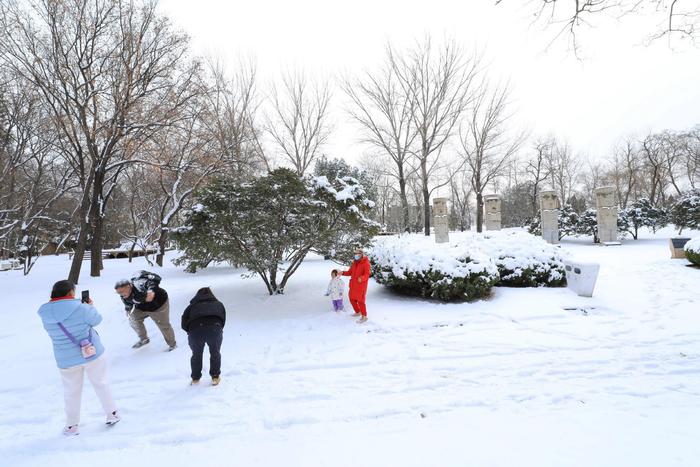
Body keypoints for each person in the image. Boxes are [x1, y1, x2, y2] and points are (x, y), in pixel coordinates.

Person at [38, 280, 120, 436]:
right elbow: (97, 320)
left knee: (71, 392)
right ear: (70, 292)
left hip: (65, 358)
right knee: (101, 383)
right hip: (92, 352)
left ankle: (71, 425)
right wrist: (89, 306)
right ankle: (112, 414)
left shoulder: (45, 313)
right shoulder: (81, 307)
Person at [115, 270, 177, 351]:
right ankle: (144, 339)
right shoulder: (123, 295)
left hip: (158, 306)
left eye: (122, 292)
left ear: (128, 286)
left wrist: (151, 291)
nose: (121, 294)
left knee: (163, 325)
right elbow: (127, 302)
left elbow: (154, 281)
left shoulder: (140, 284)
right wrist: (128, 309)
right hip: (142, 307)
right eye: (118, 293)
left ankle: (172, 344)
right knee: (133, 319)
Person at [181, 287, 226, 386]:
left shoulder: (191, 307)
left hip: (195, 331)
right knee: (215, 353)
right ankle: (215, 377)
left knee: (196, 354)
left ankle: (195, 378)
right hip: (215, 329)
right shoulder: (219, 304)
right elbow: (223, 319)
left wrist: (190, 331)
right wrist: (217, 329)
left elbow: (183, 323)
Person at [341, 248, 371, 323]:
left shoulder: (366, 263)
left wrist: (362, 278)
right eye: (355, 253)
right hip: (353, 285)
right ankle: (358, 312)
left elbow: (367, 274)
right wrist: (342, 273)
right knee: (351, 298)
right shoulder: (354, 263)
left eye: (357, 253)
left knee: (361, 301)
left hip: (361, 286)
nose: (355, 255)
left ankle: (364, 316)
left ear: (361, 254)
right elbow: (349, 272)